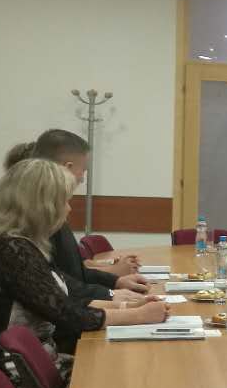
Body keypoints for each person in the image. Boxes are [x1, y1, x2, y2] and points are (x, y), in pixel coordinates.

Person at [0, 159, 168, 364]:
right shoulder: (12, 251)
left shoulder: (11, 243)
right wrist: (138, 315)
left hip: (30, 361)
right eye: (64, 201)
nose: (68, 209)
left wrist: (127, 306)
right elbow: (69, 317)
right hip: (13, 369)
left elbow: (60, 302)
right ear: (42, 206)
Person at [31, 129, 147, 301]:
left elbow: (75, 272)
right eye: (83, 170)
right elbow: (56, 283)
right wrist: (111, 295)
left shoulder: (47, 204)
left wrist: (116, 282)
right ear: (67, 168)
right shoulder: (38, 212)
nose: (82, 179)